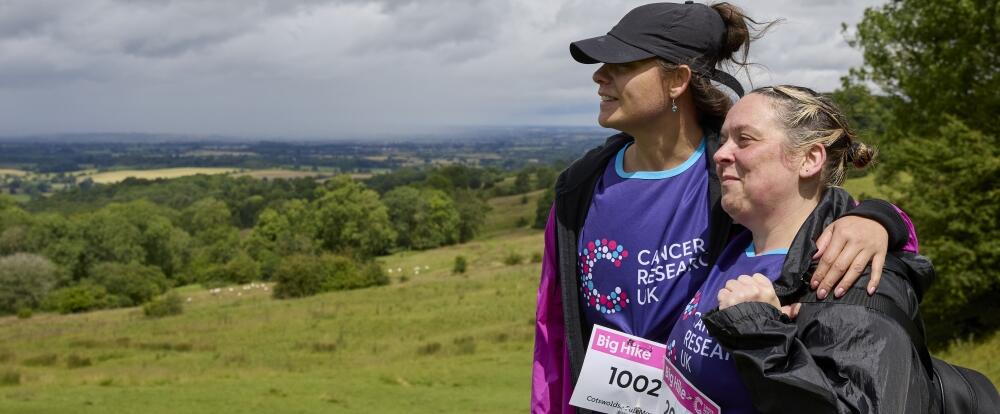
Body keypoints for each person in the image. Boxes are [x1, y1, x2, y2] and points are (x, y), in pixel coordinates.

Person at [531, 3, 919, 413]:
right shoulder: (580, 187)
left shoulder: (736, 180)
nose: (599, 75)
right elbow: (553, 325)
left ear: (677, 80)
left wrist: (877, 220)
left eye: (623, 64)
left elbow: (824, 220)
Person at [660, 85, 934, 413]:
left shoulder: (849, 277)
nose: (720, 155)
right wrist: (884, 216)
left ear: (809, 159)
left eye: (744, 139)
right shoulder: (730, 241)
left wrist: (760, 332)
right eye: (723, 140)